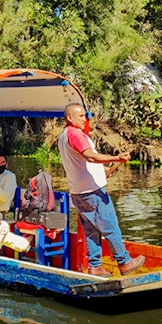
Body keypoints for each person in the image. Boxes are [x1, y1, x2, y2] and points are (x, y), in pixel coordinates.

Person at [57, 103, 145, 277]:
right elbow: (89, 155)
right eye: (81, 116)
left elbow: (80, 161)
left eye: (85, 115)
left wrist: (103, 170)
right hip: (92, 191)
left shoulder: (63, 136)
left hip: (78, 191)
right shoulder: (76, 134)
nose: (85, 119)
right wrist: (116, 157)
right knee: (110, 225)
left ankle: (95, 266)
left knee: (91, 230)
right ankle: (124, 261)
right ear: (70, 118)